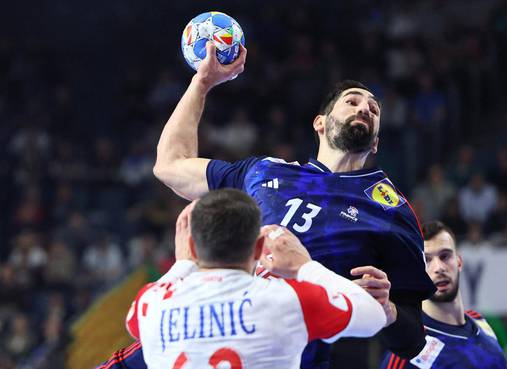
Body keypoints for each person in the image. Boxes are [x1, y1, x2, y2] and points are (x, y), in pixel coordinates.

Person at [99, 41, 435, 369]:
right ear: (320, 123)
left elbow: (412, 341)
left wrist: (388, 309)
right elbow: (171, 165)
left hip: (286, 351)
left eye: (374, 109)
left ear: (375, 142)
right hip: (205, 323)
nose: (365, 108)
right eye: (353, 101)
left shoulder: (390, 211)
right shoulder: (264, 172)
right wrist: (201, 83)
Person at [125, 189, 386, 369]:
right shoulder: (290, 299)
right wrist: (305, 267)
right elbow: (374, 316)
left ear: (192, 247)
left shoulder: (152, 302)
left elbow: (133, 324)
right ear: (260, 246)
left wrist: (182, 265)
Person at [379, 221, 507, 369]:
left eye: (445, 256)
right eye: (426, 260)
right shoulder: (410, 349)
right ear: (416, 271)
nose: (439, 268)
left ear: (459, 262)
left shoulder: (480, 321)